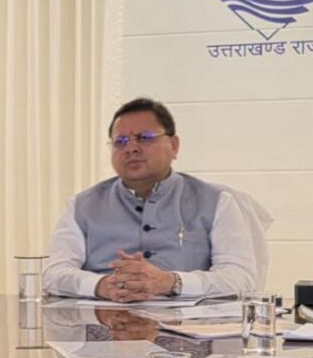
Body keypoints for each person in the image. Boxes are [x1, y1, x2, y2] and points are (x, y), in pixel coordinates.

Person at [42, 97, 268, 302]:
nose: (131, 148)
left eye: (145, 138)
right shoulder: (82, 206)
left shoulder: (216, 202)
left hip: (188, 328)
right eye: (121, 141)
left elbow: (241, 277)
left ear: (174, 146)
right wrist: (100, 285)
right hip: (103, 323)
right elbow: (53, 273)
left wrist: (171, 282)